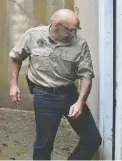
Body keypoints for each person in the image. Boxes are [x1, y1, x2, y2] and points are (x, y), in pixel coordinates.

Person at [8, 9, 102, 160]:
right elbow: (16, 57)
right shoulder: (33, 35)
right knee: (43, 145)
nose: (74, 34)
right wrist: (14, 84)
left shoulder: (80, 44)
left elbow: (86, 76)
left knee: (92, 139)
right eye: (71, 30)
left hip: (69, 94)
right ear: (56, 24)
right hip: (44, 96)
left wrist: (80, 102)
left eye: (76, 30)